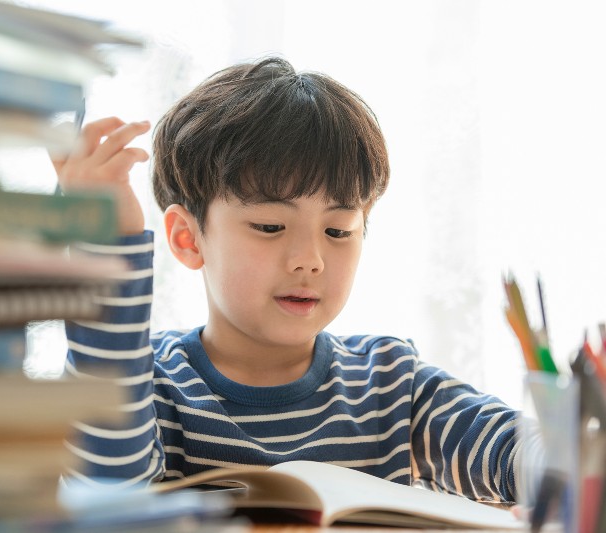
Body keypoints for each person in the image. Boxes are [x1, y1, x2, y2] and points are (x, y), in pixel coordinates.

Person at [55, 56, 532, 504]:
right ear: (188, 239)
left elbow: (512, 449)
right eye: (270, 227)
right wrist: (106, 249)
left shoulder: (390, 383)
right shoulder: (149, 384)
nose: (311, 260)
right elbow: (107, 494)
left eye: (338, 230)